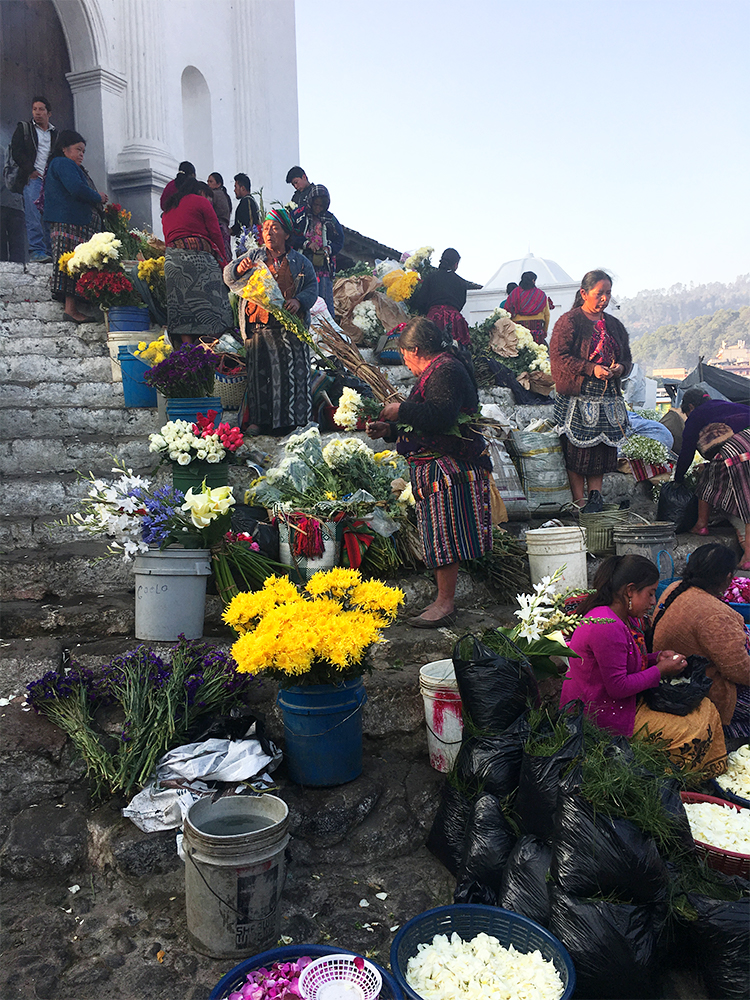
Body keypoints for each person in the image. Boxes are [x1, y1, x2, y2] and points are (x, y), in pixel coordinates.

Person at [366, 317, 492, 628]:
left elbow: (440, 415)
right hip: (434, 468)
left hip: (446, 468)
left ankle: (445, 603)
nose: (405, 362)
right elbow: (426, 420)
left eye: (405, 355)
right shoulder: (439, 369)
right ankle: (441, 600)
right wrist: (391, 429)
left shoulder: (445, 370)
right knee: (439, 534)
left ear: (416, 349)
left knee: (445, 534)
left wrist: (401, 410)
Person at [562, 554, 727, 776]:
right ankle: (676, 779)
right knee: (692, 729)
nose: (653, 601)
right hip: (599, 714)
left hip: (614, 701)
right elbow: (618, 687)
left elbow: (623, 659)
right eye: (650, 593)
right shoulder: (607, 626)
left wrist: (655, 658)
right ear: (630, 591)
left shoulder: (620, 617)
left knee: (705, 708)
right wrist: (660, 670)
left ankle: (709, 773)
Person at [223, 208, 318, 436]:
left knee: (292, 376)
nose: (269, 233)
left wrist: (298, 301)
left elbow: (312, 287)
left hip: (289, 330)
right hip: (259, 328)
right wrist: (239, 268)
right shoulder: (254, 256)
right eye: (266, 228)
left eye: (275, 228)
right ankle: (258, 422)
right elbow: (228, 275)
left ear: (286, 234)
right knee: (260, 376)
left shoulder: (300, 262)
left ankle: (293, 421)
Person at [550, 269, 631, 513]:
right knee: (577, 451)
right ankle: (579, 502)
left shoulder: (614, 325)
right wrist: (591, 368)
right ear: (584, 293)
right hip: (578, 394)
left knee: (601, 449)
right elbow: (559, 356)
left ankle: (595, 499)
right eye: (599, 294)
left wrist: (619, 369)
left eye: (608, 293)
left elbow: (627, 359)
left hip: (607, 396)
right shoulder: (569, 321)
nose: (604, 299)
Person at [652, 544, 750, 740]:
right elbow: (739, 671)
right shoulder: (714, 614)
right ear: (728, 577)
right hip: (701, 688)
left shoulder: (675, 588)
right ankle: (721, 732)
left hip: (674, 677)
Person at [673, 387, 750, 567]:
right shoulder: (725, 405)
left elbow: (687, 453)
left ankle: (702, 525)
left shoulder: (696, 415)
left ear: (691, 406)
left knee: (708, 481)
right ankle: (746, 557)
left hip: (738, 448)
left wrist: (678, 479)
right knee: (744, 497)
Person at [43, 129, 107, 323]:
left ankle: (74, 307)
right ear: (64, 149)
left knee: (75, 264)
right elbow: (76, 188)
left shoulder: (65, 164)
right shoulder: (63, 163)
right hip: (69, 223)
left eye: (83, 151)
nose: (81, 154)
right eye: (78, 149)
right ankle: (70, 310)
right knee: (71, 264)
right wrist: (98, 197)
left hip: (75, 223)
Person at [162, 176, 231, 343]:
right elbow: (216, 234)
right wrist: (224, 263)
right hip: (198, 259)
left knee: (182, 308)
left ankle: (187, 352)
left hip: (172, 260)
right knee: (213, 308)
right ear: (200, 191)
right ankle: (209, 350)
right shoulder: (200, 202)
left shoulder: (167, 210)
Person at [11, 96, 57, 262]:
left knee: (49, 217)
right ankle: (36, 251)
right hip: (33, 179)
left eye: (41, 109)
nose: (37, 113)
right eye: (35, 109)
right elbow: (17, 151)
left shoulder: (55, 134)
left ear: (49, 113)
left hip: (49, 182)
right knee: (33, 215)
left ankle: (50, 252)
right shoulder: (25, 129)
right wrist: (30, 170)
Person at [294, 184, 344, 316]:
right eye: (315, 204)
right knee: (303, 297)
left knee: (324, 301)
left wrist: (329, 248)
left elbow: (340, 240)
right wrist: (307, 244)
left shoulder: (330, 220)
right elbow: (289, 235)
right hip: (302, 265)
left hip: (323, 267)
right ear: (310, 201)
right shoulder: (299, 216)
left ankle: (327, 331)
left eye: (321, 206)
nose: (317, 208)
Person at [409, 248, 472, 348]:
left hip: (434, 318)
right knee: (455, 351)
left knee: (432, 349)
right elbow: (461, 303)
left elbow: (421, 301)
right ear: (455, 264)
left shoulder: (431, 278)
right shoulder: (461, 283)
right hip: (455, 321)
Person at [504, 271, 550, 344]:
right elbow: (547, 315)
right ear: (533, 281)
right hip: (536, 330)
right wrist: (544, 330)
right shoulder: (540, 294)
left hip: (518, 330)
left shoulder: (514, 293)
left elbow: (507, 312)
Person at [207, 171, 232, 260]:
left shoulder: (213, 195)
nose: (208, 184)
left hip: (217, 228)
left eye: (211, 182)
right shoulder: (225, 196)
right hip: (225, 229)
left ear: (218, 184)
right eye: (208, 182)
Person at [230, 173, 260, 240]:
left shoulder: (246, 202)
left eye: (235, 187)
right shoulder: (251, 201)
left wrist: (229, 231)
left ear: (243, 188)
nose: (234, 190)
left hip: (247, 242)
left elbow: (243, 225)